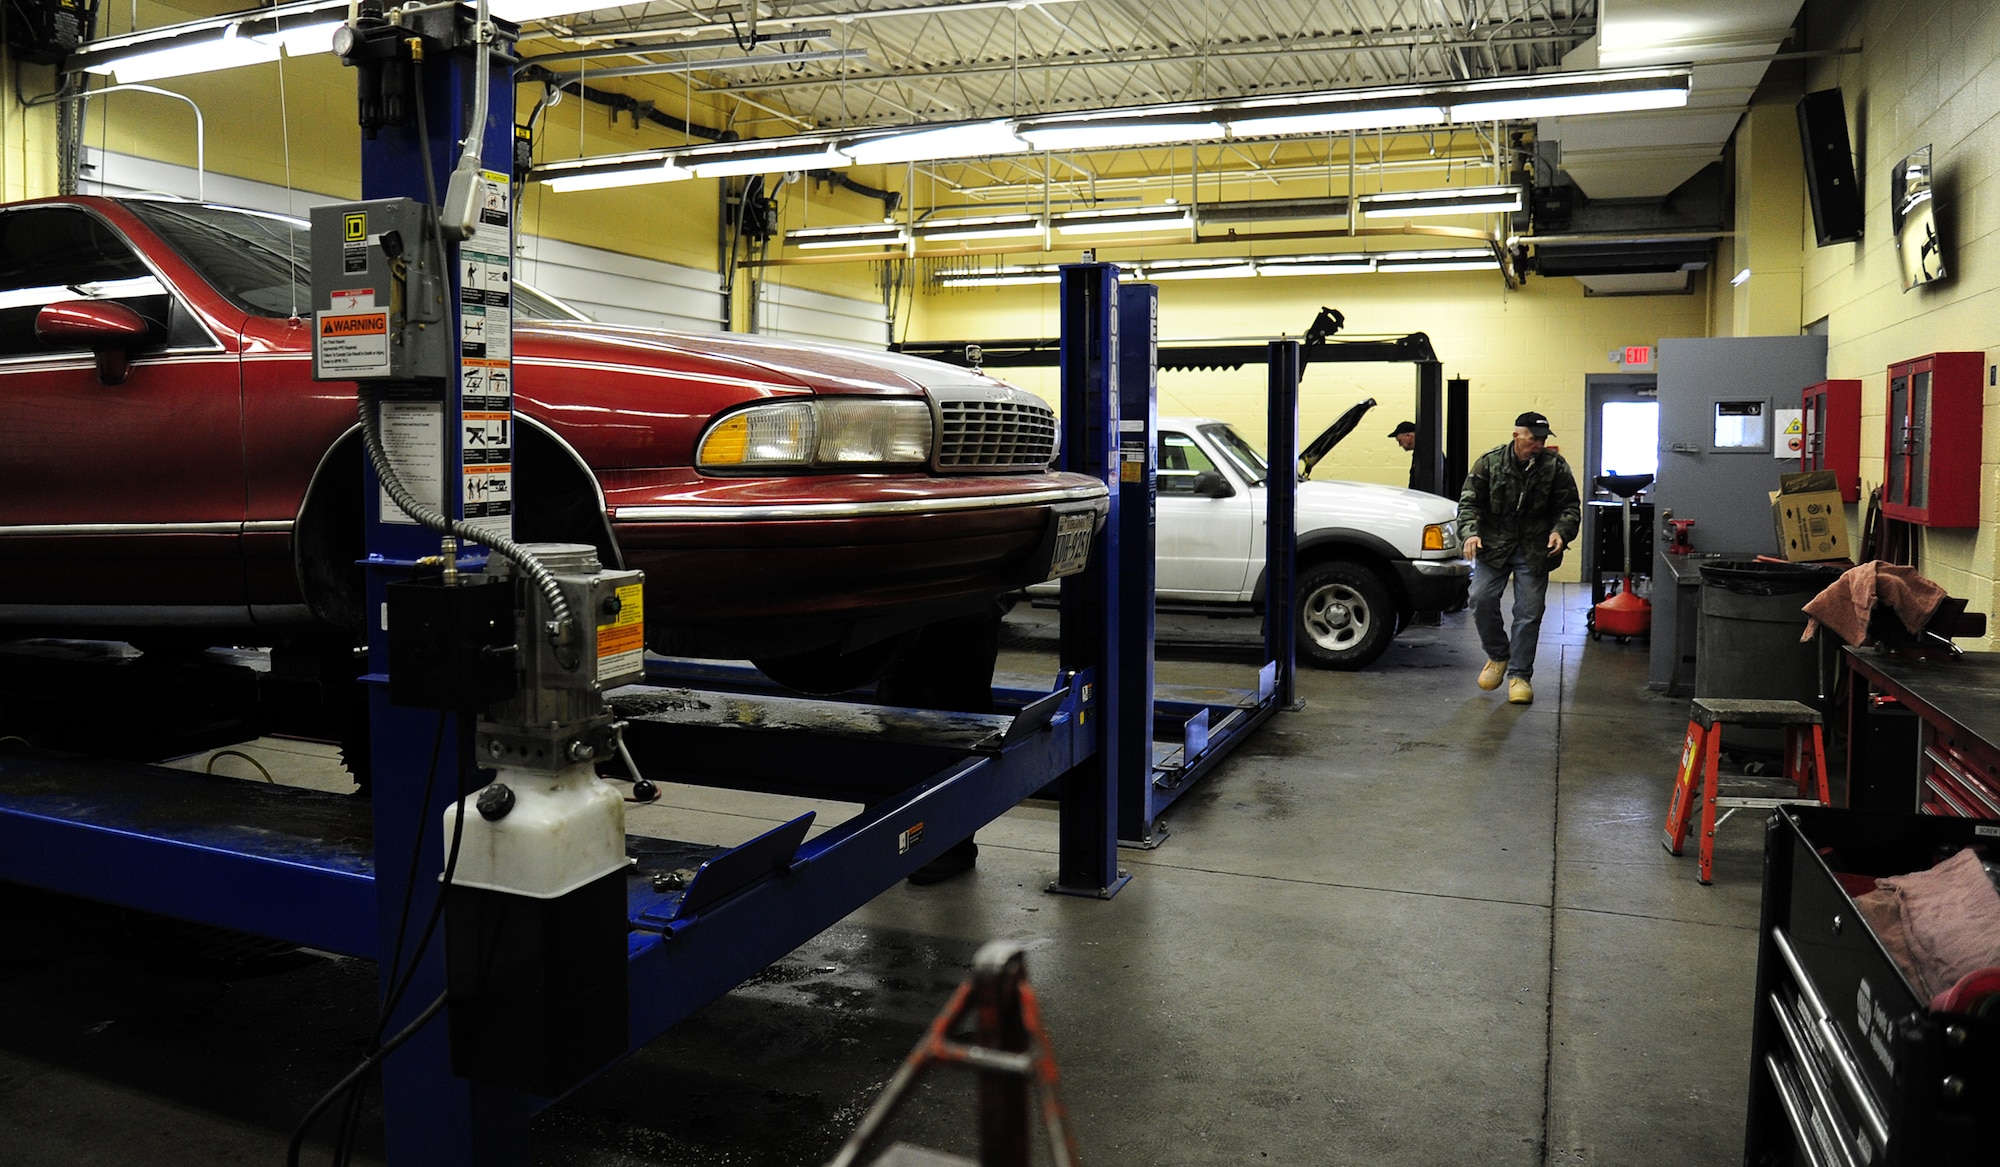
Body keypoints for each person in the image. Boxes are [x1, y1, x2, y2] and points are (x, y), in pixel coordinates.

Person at [1457, 411, 1580, 706]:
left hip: (1534, 548)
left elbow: (1569, 507)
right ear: (1517, 436)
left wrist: (1560, 532)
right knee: (1481, 598)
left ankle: (1520, 675)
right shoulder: (1489, 463)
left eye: (1542, 439)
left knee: (1529, 611)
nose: (1538, 444)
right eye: (1533, 438)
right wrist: (1470, 533)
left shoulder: (1555, 467)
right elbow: (1469, 502)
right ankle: (1498, 656)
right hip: (1494, 545)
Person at [1388, 421, 1419, 489]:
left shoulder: (1424, 455)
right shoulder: (1421, 453)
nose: (1400, 445)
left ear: (1409, 436)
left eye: (1400, 441)